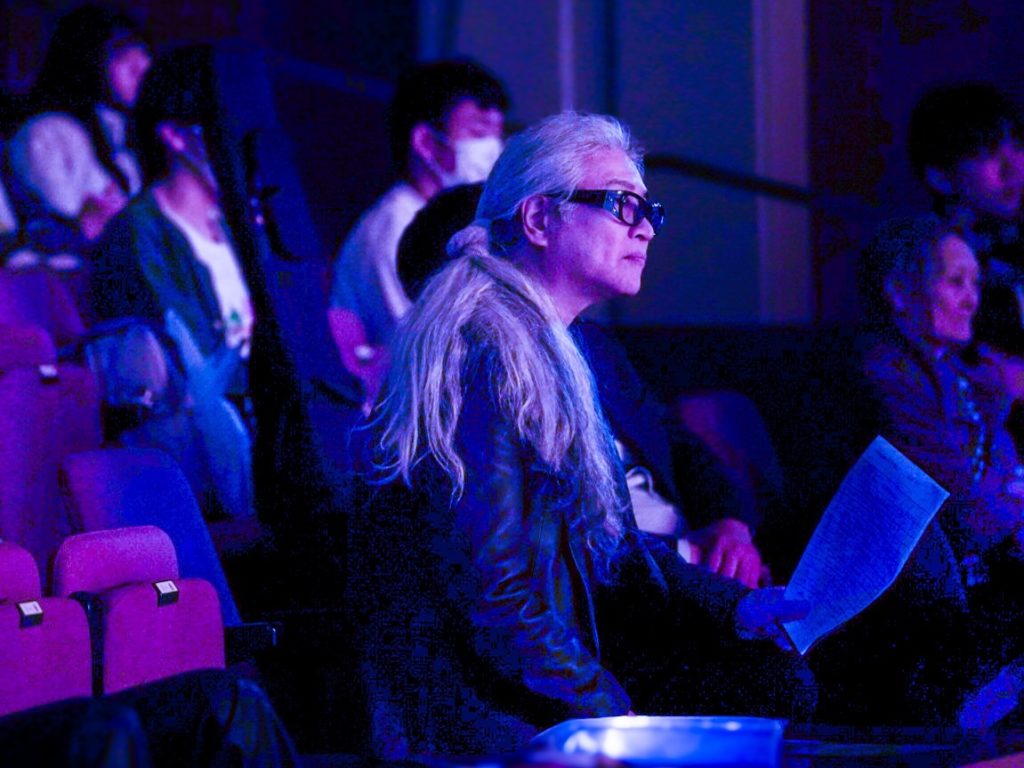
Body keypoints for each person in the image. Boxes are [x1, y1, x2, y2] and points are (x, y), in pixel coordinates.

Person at [347, 112, 815, 760]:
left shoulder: (549, 343)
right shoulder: (483, 350)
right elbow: (494, 597)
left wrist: (733, 606)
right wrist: (613, 715)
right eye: (623, 205)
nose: (645, 228)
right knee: (763, 689)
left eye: (649, 210)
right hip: (474, 708)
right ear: (540, 220)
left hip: (529, 674)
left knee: (769, 671)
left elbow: (606, 540)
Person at [397, 182, 770, 588]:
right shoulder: (479, 381)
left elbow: (676, 442)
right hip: (634, 588)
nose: (643, 228)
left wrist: (730, 527)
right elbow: (551, 542)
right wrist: (692, 560)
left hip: (696, 558)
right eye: (618, 203)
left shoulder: (592, 342)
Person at [822, 215, 1024, 728]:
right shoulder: (884, 371)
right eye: (955, 282)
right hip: (909, 590)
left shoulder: (956, 372)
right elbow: (955, 501)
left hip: (976, 564)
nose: (972, 299)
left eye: (976, 283)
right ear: (899, 291)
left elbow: (1000, 471)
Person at [329, 58, 508, 351]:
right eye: (478, 134)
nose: (494, 150)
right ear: (426, 142)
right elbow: (424, 350)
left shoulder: (457, 225)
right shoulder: (395, 228)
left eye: (497, 136)